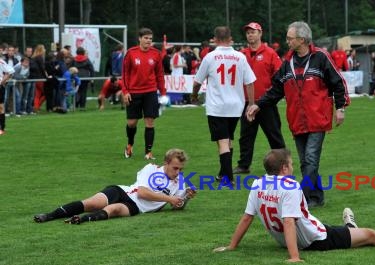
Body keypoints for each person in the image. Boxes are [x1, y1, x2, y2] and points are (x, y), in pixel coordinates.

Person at [213, 149, 375, 262]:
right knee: (372, 236)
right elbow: (289, 222)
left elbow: (247, 217)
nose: (293, 168)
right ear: (283, 168)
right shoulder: (290, 186)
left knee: (343, 231)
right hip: (316, 239)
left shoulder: (257, 184)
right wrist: (294, 257)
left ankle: (350, 228)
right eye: (291, 164)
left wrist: (232, 246)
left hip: (307, 233)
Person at [247, 22, 349, 208]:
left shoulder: (321, 57)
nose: (287, 41)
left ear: (302, 40)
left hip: (318, 119)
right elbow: (275, 90)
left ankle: (299, 199)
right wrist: (258, 105)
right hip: (296, 120)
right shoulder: (287, 63)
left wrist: (341, 108)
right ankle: (316, 197)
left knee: (310, 159)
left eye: (290, 38)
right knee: (305, 163)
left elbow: (338, 83)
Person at [34, 148, 196, 225]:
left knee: (114, 210)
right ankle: (48, 216)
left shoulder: (180, 181)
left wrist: (185, 198)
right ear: (166, 163)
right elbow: (142, 192)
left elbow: (177, 206)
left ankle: (79, 220)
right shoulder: (152, 169)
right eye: (175, 168)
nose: (178, 172)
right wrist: (169, 198)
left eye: (181, 169)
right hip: (122, 191)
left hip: (135, 207)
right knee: (91, 203)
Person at [191, 26, 256, 184]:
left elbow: (197, 81)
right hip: (236, 106)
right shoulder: (240, 57)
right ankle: (222, 173)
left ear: (215, 39)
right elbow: (250, 82)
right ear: (230, 38)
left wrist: (194, 96)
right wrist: (251, 104)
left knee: (222, 142)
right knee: (227, 139)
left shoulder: (210, 57)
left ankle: (228, 177)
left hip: (217, 106)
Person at [233, 22, 286, 175]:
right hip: (247, 102)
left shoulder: (270, 53)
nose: (250, 35)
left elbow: (279, 76)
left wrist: (271, 94)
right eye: (248, 32)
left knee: (274, 135)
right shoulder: (241, 54)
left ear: (260, 34)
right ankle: (244, 165)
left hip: (266, 103)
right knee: (246, 137)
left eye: (253, 32)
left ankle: (283, 164)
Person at [122, 27, 167, 160]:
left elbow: (160, 74)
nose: (148, 41)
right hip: (134, 93)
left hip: (150, 92)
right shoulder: (131, 53)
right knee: (131, 123)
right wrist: (125, 91)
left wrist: (163, 93)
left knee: (150, 122)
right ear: (140, 39)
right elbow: (124, 74)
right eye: (146, 38)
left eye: (150, 39)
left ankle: (148, 152)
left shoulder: (156, 54)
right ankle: (130, 144)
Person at [71, 47, 94, 111]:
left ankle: (75, 105)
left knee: (76, 91)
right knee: (83, 92)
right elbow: (91, 69)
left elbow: (70, 68)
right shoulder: (86, 59)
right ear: (83, 52)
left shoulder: (74, 59)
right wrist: (92, 78)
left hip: (76, 78)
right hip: (85, 78)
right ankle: (82, 107)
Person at [0, 54, 15, 135]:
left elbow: (11, 71)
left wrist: (3, 81)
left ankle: (2, 128)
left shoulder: (1, 62)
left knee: (1, 107)